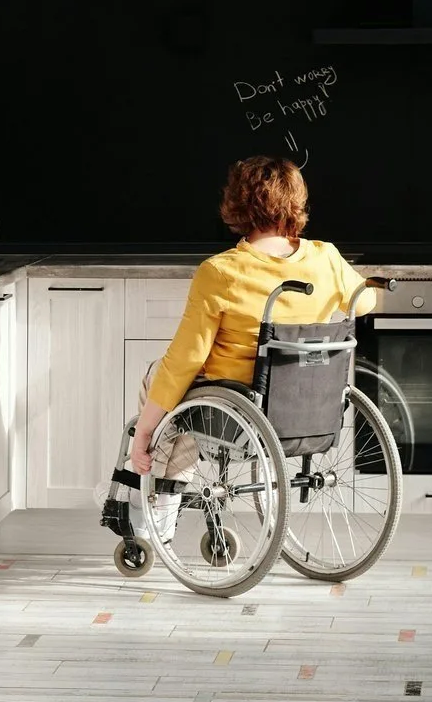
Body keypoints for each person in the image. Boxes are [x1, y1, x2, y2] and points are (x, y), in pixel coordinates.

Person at [129, 156, 374, 473]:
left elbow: (185, 360)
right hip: (306, 408)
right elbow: (364, 302)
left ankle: (157, 500)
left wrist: (145, 432)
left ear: (237, 204)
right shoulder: (325, 257)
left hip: (236, 415)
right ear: (297, 201)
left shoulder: (220, 272)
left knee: (160, 374)